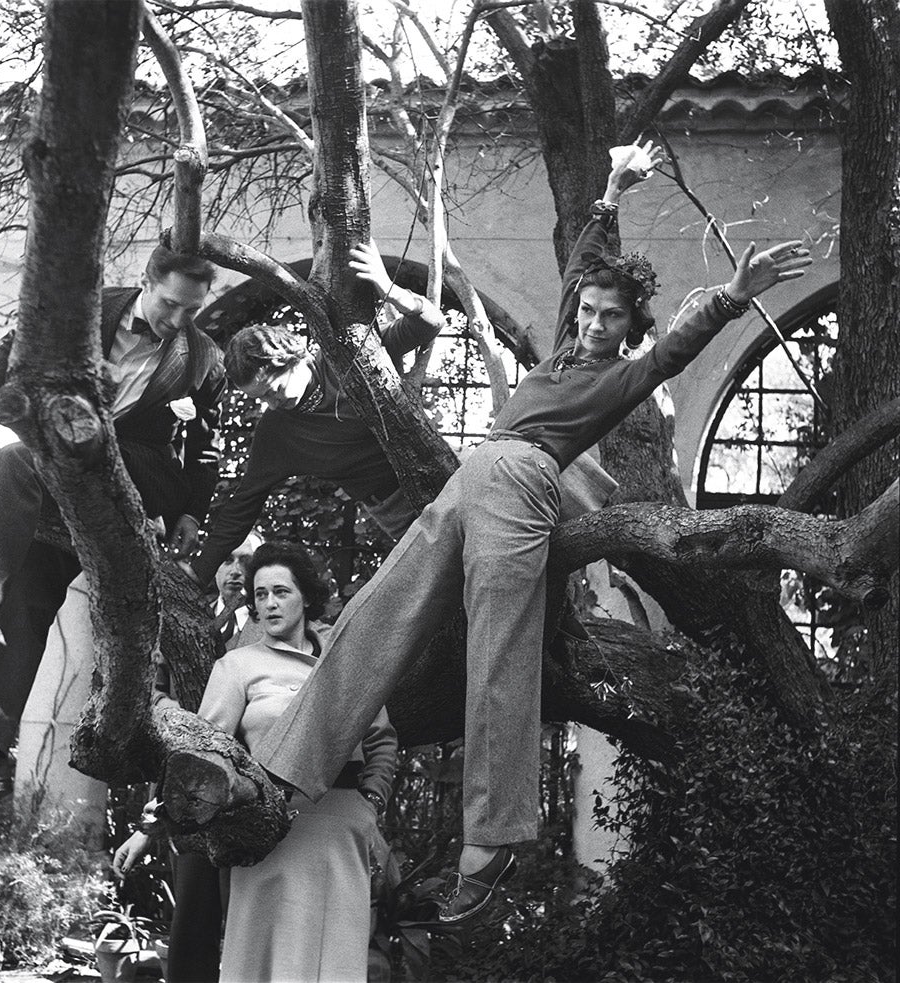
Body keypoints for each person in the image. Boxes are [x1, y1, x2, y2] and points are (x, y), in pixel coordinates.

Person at [249, 143, 813, 924]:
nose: (594, 323)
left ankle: (491, 843)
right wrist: (610, 189)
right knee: (377, 610)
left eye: (611, 317)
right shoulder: (563, 350)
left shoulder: (620, 374)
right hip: (473, 477)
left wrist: (731, 297)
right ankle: (283, 769)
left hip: (522, 480)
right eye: (588, 311)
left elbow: (673, 350)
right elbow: (584, 265)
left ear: (630, 327)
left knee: (499, 645)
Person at [0, 245, 225, 808]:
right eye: (170, 304)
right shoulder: (91, 308)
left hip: (141, 471)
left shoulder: (204, 358)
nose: (178, 319)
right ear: (146, 282)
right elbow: (21, 342)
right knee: (26, 587)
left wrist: (191, 513)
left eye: (193, 310)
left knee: (17, 458)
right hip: (70, 466)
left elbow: (205, 449)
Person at [119, 541, 397, 982]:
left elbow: (380, 738)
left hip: (342, 829)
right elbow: (204, 755)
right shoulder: (237, 666)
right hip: (272, 831)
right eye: (261, 594)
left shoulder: (344, 661)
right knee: (264, 963)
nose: (269, 603)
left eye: (281, 592)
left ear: (306, 597)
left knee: (335, 960)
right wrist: (151, 824)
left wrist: (372, 802)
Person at [187, 239, 446, 587]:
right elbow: (242, 507)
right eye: (261, 399)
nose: (272, 404)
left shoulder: (348, 355)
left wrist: (390, 290)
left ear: (296, 357)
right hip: (398, 513)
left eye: (274, 389)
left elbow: (429, 324)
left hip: (444, 472)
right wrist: (198, 574)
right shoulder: (277, 433)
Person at [113, 534, 262, 983]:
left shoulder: (271, 628)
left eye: (246, 560)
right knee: (192, 925)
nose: (236, 569)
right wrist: (178, 719)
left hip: (253, 792)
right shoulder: (181, 621)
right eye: (228, 558)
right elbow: (152, 693)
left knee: (251, 925)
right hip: (191, 790)